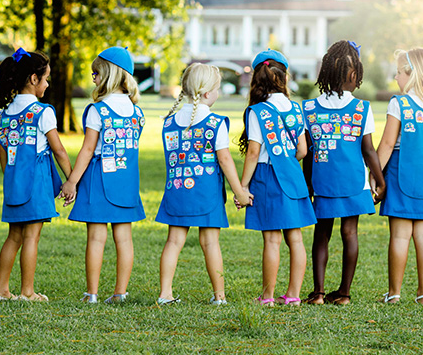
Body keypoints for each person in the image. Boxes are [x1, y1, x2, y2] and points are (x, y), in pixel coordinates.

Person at [156, 63, 253, 305]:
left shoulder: (169, 122)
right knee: (210, 243)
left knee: (173, 242)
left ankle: (165, 293)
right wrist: (239, 191)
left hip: (176, 193)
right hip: (207, 196)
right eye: (218, 89)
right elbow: (225, 160)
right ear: (208, 93)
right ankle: (219, 296)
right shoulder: (215, 123)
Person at [301, 40, 386, 306]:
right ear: (354, 75)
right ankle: (345, 294)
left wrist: (308, 186)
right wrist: (380, 182)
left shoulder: (308, 109)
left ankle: (318, 293)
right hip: (354, 182)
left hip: (322, 183)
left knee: (321, 235)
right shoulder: (362, 108)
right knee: (350, 234)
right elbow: (369, 151)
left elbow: (308, 154)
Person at [61, 46, 145, 304]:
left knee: (96, 238)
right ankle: (120, 293)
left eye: (96, 73)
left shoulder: (97, 110)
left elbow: (88, 150)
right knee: (124, 238)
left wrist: (72, 181)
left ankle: (92, 294)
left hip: (98, 179)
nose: (93, 78)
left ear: (109, 74)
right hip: (126, 182)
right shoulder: (137, 112)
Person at [0, 48, 72, 302]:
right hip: (36, 184)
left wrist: (13, 179)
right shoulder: (42, 112)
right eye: (45, 79)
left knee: (13, 237)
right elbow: (58, 149)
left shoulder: (2, 116)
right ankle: (27, 291)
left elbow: (3, 156)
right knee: (32, 237)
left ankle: (1, 290)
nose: (47, 84)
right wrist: (71, 179)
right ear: (34, 79)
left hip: (14, 183)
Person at [237, 49, 316, 306]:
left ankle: (268, 297)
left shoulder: (257, 111)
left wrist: (243, 185)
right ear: (284, 77)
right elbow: (303, 150)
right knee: (296, 238)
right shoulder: (295, 108)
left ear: (257, 79)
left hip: (266, 177)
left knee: (272, 239)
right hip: (293, 177)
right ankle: (293, 295)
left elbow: (253, 152)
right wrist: (286, 163)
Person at [373, 48, 423, 305]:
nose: (396, 78)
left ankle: (394, 293)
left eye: (398, 72)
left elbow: (386, 145)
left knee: (399, 236)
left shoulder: (400, 103)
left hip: (400, 176)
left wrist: (372, 176)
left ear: (411, 74)